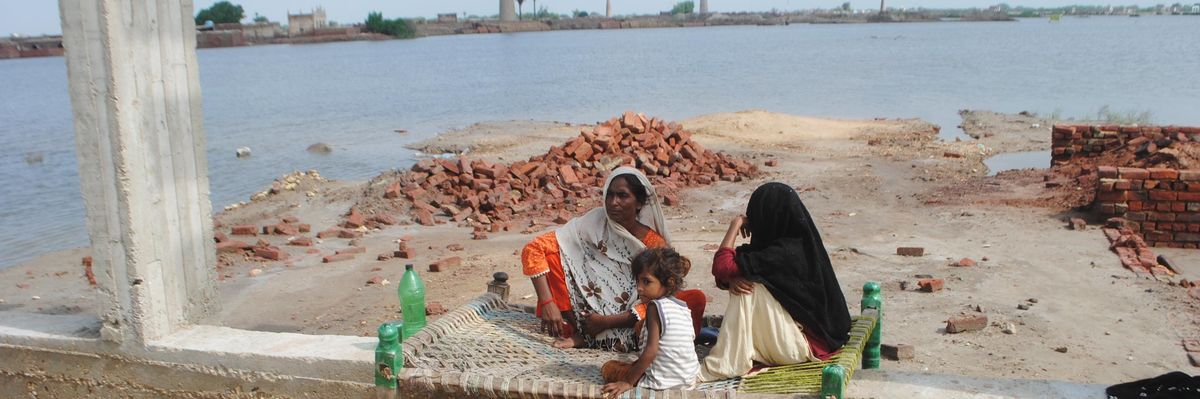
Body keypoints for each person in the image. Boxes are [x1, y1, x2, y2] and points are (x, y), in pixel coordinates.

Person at [521, 167, 706, 351]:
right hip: (586, 316)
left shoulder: (655, 245)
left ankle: (606, 338)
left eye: (622, 196)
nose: (613, 202)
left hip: (628, 320)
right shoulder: (594, 222)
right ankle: (581, 333)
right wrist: (547, 302)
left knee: (691, 299)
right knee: (554, 255)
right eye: (609, 195)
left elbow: (662, 298)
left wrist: (606, 322)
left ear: (639, 203)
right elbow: (534, 249)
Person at [699, 182, 852, 381]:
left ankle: (727, 363)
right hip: (802, 336)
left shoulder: (784, 253)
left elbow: (722, 266)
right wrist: (731, 279)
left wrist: (734, 226)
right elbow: (724, 270)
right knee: (745, 276)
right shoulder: (789, 243)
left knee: (750, 286)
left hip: (805, 346)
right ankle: (737, 354)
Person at [600, 248, 700, 398]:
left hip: (661, 384)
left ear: (669, 283)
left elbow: (651, 352)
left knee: (609, 367)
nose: (639, 288)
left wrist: (627, 382)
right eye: (638, 281)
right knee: (641, 328)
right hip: (688, 380)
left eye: (646, 281)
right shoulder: (684, 308)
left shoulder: (655, 306)